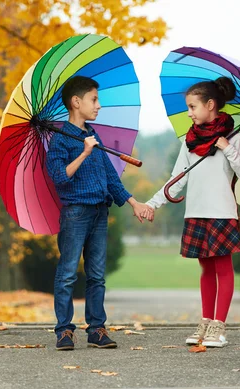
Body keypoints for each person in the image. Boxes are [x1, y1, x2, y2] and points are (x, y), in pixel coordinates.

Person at [141, 77, 240, 348]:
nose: (189, 113)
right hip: (196, 213)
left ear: (211, 105)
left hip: (222, 213)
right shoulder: (190, 141)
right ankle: (205, 322)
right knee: (205, 269)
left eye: (193, 107)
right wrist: (152, 203)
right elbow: (177, 179)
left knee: (223, 268)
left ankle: (219, 327)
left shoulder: (234, 139)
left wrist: (227, 149)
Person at [46, 75, 150, 351]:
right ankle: (64, 331)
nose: (98, 105)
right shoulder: (60, 140)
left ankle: (96, 329)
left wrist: (133, 202)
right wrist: (82, 152)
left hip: (99, 214)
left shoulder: (94, 136)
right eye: (94, 99)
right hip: (75, 215)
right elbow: (59, 178)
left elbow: (109, 176)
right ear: (76, 102)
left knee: (96, 275)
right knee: (68, 273)